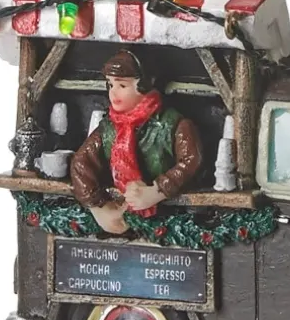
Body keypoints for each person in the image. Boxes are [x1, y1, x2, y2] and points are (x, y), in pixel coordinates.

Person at [71, 49, 203, 234]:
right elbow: (81, 162)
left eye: (122, 85)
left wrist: (157, 191)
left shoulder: (173, 124)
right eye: (110, 84)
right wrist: (98, 208)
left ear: (143, 86)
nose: (113, 92)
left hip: (169, 216)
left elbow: (191, 161)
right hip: (121, 208)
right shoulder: (109, 127)